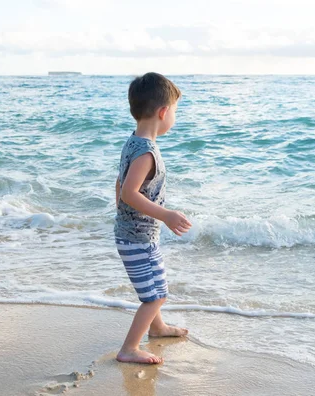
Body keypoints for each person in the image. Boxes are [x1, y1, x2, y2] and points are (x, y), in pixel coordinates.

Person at [114, 72, 192, 364]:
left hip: (133, 233)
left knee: (154, 286)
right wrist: (167, 215)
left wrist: (121, 214)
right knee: (156, 295)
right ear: (163, 112)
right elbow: (130, 193)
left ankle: (157, 328)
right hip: (138, 237)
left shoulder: (132, 142)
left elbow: (119, 183)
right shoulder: (146, 152)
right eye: (175, 112)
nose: (174, 117)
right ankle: (129, 348)